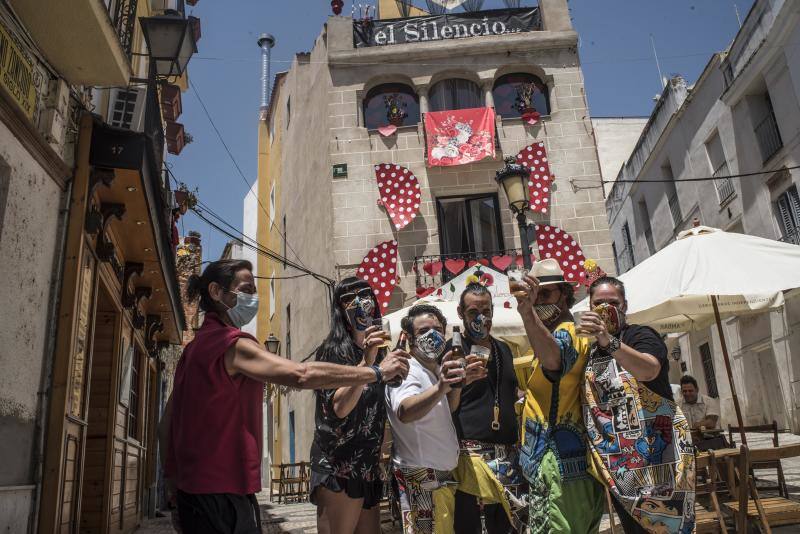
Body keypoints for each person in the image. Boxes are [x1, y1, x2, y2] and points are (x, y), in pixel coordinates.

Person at [162, 263, 409, 534]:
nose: (253, 298)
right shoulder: (231, 344)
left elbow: (167, 421)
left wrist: (173, 487)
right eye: (246, 290)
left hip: (194, 492)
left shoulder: (194, 350)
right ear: (216, 292)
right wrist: (374, 371)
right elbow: (301, 375)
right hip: (222, 491)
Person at [580, 276, 695, 534]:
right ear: (589, 308)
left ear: (625, 306)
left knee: (667, 526)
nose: (606, 309)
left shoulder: (640, 335)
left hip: (659, 457)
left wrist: (608, 339)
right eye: (599, 304)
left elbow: (649, 370)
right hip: (619, 463)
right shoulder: (590, 352)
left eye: (613, 303)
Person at [309, 277, 414, 534]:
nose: (359, 303)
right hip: (338, 465)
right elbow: (339, 408)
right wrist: (367, 364)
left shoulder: (382, 353)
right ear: (340, 311)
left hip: (368, 465)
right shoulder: (332, 352)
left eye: (365, 295)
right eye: (349, 298)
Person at [514, 259, 605, 533]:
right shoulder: (552, 333)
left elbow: (555, 360)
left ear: (564, 296)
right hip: (564, 460)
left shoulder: (568, 330)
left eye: (546, 294)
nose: (539, 300)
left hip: (558, 461)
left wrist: (527, 313)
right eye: (534, 294)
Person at [386, 304, 484, 533]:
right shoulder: (406, 369)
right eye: (423, 331)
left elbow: (446, 409)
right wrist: (442, 386)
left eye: (438, 329)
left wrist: (457, 386)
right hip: (422, 482)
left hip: (437, 483)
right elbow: (405, 411)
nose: (432, 335)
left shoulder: (431, 370)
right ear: (409, 338)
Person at [448, 283, 520, 534]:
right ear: (460, 313)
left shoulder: (504, 350)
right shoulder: (454, 351)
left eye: (486, 311)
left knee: (508, 528)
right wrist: (459, 382)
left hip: (509, 460)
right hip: (472, 460)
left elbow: (510, 392)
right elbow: (446, 405)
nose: (481, 318)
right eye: (473, 312)